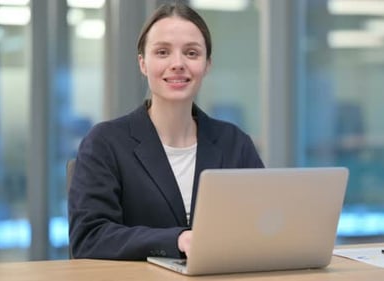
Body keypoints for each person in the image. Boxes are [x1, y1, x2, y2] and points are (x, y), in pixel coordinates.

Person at [68, 1, 264, 261]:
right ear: (143, 64)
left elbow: (264, 224)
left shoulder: (234, 142)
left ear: (207, 65)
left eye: (192, 53)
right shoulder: (105, 143)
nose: (178, 63)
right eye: (162, 52)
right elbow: (89, 237)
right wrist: (177, 239)